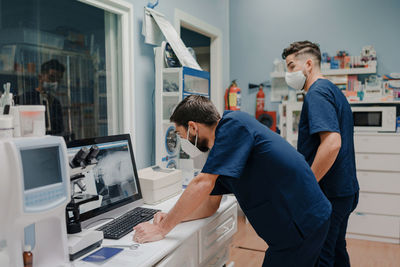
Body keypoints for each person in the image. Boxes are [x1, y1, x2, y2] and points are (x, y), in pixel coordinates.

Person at [133, 95, 332, 266]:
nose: (182, 141)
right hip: (300, 223)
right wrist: (171, 216)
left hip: (301, 225)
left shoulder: (233, 124)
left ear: (192, 127)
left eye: (180, 134)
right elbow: (210, 204)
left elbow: (202, 183)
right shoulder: (222, 149)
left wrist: (161, 228)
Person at [282, 41, 359, 267]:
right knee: (335, 249)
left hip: (330, 192)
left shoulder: (316, 93)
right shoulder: (332, 90)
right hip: (344, 190)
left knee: (321, 256)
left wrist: (309, 184)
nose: (289, 73)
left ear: (308, 63)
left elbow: (332, 143)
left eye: (291, 66)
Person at [16, 59, 65, 135]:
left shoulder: (56, 103)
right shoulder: (26, 98)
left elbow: (60, 130)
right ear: (40, 77)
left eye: (58, 79)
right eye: (51, 77)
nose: (55, 82)